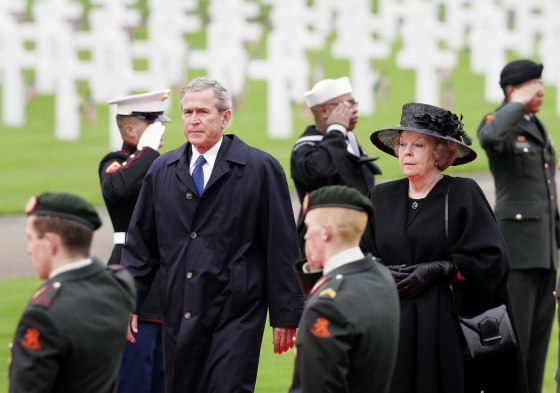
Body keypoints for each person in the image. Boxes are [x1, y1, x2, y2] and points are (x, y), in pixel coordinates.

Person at [121, 77, 304, 392]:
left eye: (203, 112)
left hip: (236, 310)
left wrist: (286, 313)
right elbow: (140, 246)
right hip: (179, 307)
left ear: (225, 117)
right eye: (188, 112)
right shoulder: (162, 170)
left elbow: (281, 245)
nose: (193, 120)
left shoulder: (260, 168)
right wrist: (127, 302)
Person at [369, 102, 528, 392]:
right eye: (403, 144)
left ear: (440, 154)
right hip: (393, 325)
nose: (407, 152)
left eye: (418, 145)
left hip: (443, 327)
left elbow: (492, 261)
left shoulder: (462, 194)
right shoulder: (381, 196)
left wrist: (440, 270)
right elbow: (361, 255)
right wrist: (379, 273)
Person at [477, 59, 558, 393]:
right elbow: (489, 136)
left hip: (544, 250)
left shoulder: (535, 126)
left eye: (540, 83)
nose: (540, 90)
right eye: (532, 84)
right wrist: (515, 104)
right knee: (518, 340)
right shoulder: (501, 121)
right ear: (512, 89)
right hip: (519, 250)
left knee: (539, 341)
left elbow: (546, 193)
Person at [9, 192, 136, 393]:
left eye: (31, 239)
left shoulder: (42, 316)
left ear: (50, 243)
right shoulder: (120, 285)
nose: (29, 249)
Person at [289, 185, 400, 393]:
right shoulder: (380, 276)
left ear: (325, 233)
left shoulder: (326, 306)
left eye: (308, 227)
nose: (305, 236)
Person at [99, 90, 171, 393]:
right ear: (130, 129)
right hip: (129, 271)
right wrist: (148, 151)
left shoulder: (166, 165)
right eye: (152, 123)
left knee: (164, 378)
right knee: (133, 377)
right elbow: (119, 188)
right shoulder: (115, 162)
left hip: (164, 279)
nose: (160, 131)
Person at [291, 76, 381, 251]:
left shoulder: (347, 139)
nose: (354, 111)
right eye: (347, 105)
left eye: (355, 104)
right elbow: (320, 170)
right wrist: (337, 129)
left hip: (357, 236)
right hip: (325, 244)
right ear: (324, 111)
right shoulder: (305, 147)